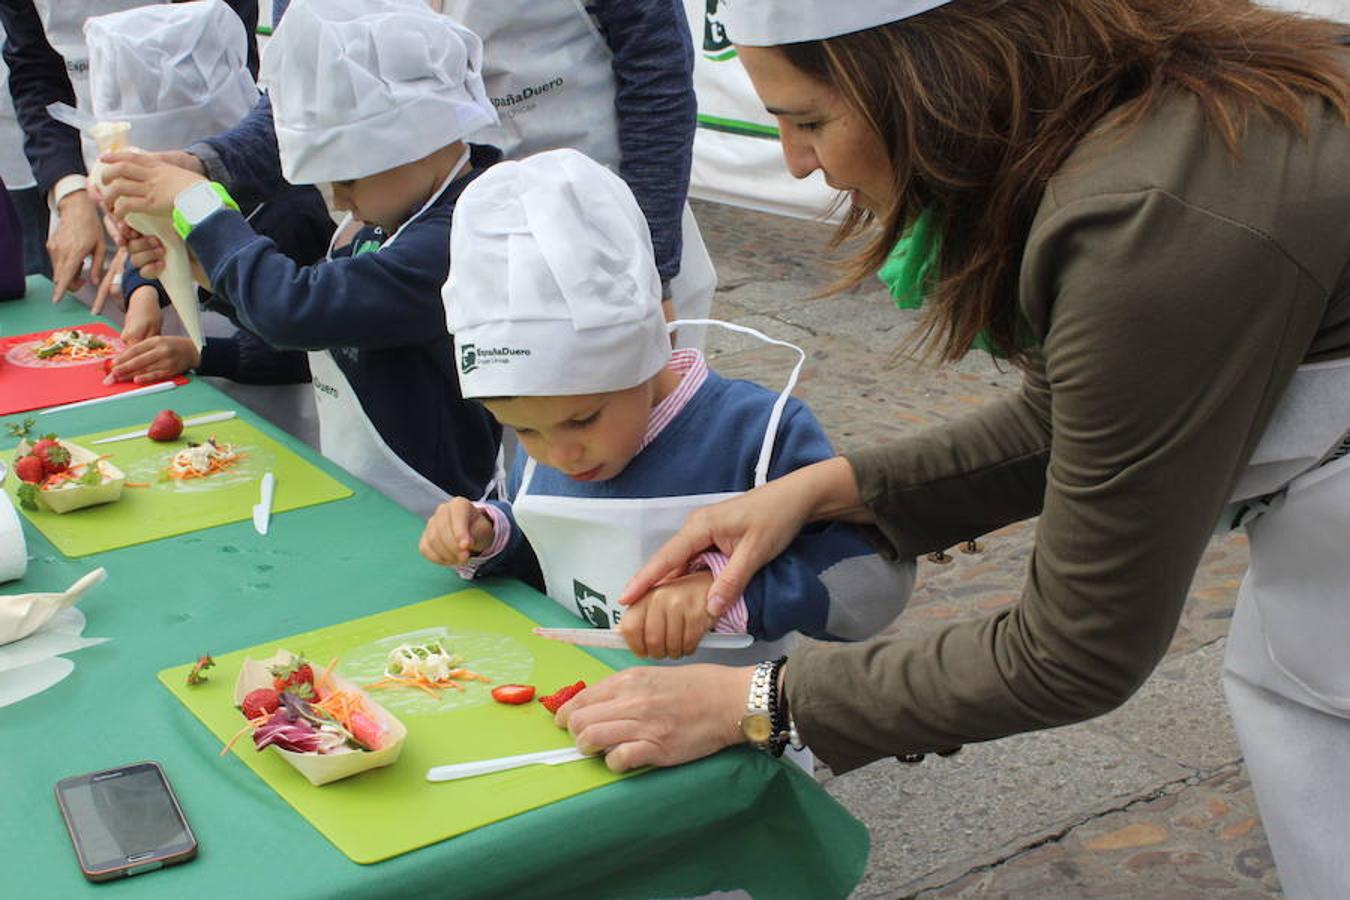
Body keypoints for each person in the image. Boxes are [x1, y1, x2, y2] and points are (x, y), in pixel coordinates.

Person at [551, 2, 1350, 896]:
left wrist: (756, 701)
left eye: (810, 121)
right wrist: (825, 490)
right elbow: (1082, 417)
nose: (798, 163)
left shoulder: (1145, 217)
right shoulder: (1140, 119)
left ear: (936, 76)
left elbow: (1073, 651)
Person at [422, 148, 913, 663]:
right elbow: (552, 551)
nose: (560, 455)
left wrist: (728, 594)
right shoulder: (551, 442)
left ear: (646, 351)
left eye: (583, 419)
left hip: (735, 727)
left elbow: (873, 579)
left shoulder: (757, 433)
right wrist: (491, 534)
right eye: (523, 431)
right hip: (591, 712)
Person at [99, 0, 502, 515]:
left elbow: (297, 310)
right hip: (365, 497)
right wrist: (192, 264)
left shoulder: (455, 238)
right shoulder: (389, 222)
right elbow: (327, 340)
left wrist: (197, 205)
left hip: (443, 509)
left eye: (348, 177)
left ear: (418, 141)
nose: (336, 199)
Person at [172, 0, 713, 347]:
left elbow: (657, 78)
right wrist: (207, 164)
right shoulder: (422, 247)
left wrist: (650, 265)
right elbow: (309, 82)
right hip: (443, 218)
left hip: (607, 223)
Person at [82, 0, 332, 447]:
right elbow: (158, 241)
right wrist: (144, 292)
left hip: (292, 419)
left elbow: (309, 343)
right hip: (209, 409)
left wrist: (204, 353)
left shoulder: (291, 212)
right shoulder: (164, 203)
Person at [0, 0, 259, 302]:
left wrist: (147, 225)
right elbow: (35, 71)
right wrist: (71, 194)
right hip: (93, 184)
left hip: (204, 179)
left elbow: (226, 60)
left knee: (219, 322)